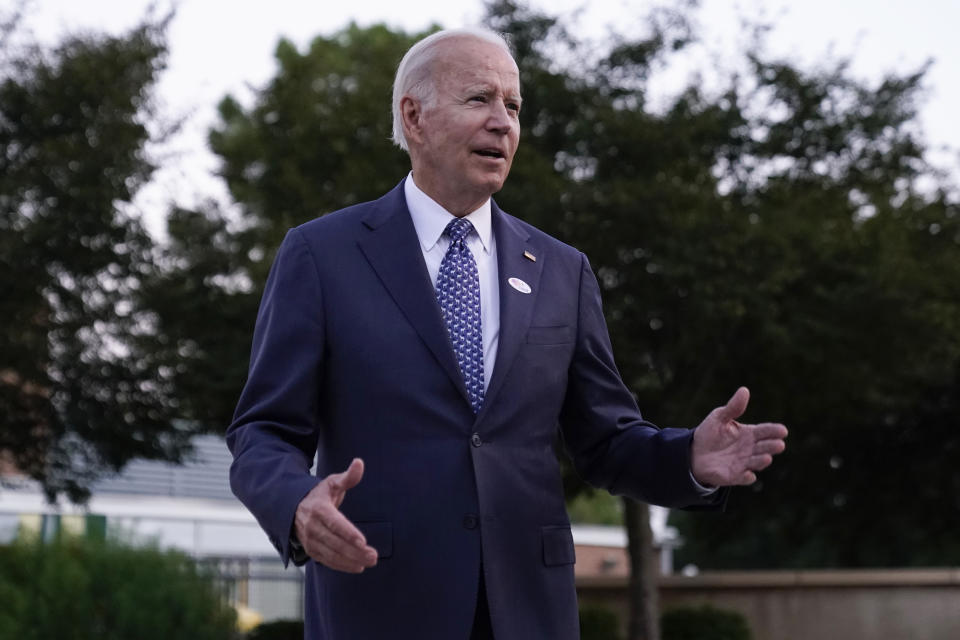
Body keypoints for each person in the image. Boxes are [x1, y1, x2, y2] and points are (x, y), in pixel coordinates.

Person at [226, 26, 787, 640]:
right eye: (479, 100)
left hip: (529, 608)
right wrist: (295, 502)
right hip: (380, 601)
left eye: (513, 106)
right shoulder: (321, 254)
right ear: (414, 117)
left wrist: (689, 459)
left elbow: (605, 440)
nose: (504, 123)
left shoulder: (560, 270)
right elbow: (264, 429)